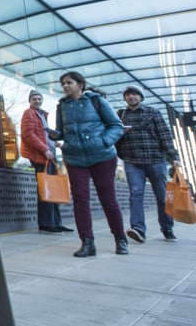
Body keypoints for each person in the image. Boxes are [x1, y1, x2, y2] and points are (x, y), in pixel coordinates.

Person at [55, 71, 128, 258]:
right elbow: (61, 131)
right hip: (75, 158)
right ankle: (87, 243)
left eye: (69, 82)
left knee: (108, 199)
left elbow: (116, 125)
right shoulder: (62, 106)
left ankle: (120, 239)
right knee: (80, 200)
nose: (65, 86)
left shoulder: (96, 101)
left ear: (80, 85)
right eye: (63, 83)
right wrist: (55, 135)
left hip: (102, 156)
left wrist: (103, 142)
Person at [116, 86, 180, 243]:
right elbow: (115, 136)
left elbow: (164, 134)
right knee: (135, 195)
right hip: (132, 162)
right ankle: (138, 229)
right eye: (128, 95)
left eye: (134, 94)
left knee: (162, 197)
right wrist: (121, 154)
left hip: (155, 160)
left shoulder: (153, 112)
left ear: (141, 97)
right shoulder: (120, 115)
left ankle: (167, 228)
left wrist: (174, 157)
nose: (131, 97)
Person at [21, 90, 71, 233]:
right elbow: (28, 135)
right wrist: (44, 149)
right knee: (45, 190)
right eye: (34, 99)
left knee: (52, 189)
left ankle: (55, 222)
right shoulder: (28, 113)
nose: (37, 101)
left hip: (49, 156)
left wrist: (53, 143)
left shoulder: (42, 114)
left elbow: (42, 135)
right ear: (30, 101)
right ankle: (46, 224)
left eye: (39, 99)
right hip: (40, 157)